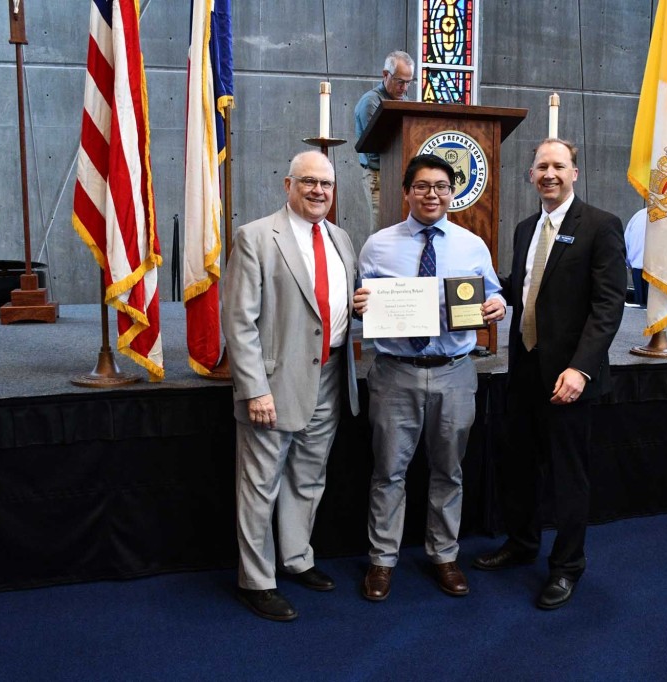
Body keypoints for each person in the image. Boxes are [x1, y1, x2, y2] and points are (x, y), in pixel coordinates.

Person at [473, 138, 626, 610]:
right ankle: (522, 544)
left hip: (569, 379)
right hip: (523, 372)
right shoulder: (524, 229)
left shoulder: (601, 226)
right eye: (542, 167)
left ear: (575, 173)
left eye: (559, 166)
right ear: (532, 174)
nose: (550, 174)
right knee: (518, 468)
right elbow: (526, 287)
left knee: (567, 477)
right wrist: (501, 297)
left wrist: (580, 368)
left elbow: (607, 306)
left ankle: (566, 567)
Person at [352, 154, 505, 602]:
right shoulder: (378, 245)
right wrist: (360, 304)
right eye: (422, 186)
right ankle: (382, 560)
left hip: (455, 373)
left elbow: (491, 293)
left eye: (441, 186)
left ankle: (444, 555)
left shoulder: (471, 245)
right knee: (388, 472)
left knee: (449, 471)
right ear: (406, 192)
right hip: (394, 373)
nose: (432, 194)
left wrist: (495, 306)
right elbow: (361, 303)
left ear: (452, 192)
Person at [221, 150, 360, 622]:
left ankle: (297, 558)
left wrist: (361, 305)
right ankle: (256, 581)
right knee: (260, 484)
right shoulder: (256, 237)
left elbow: (332, 308)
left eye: (326, 183)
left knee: (308, 476)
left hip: (331, 377)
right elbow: (239, 322)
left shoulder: (341, 238)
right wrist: (254, 389)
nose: (319, 190)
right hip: (274, 385)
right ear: (288, 185)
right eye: (309, 182)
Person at [353, 51, 415, 233]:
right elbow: (378, 145)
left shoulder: (406, 101)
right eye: (400, 81)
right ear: (385, 75)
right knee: (381, 231)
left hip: (402, 175)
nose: (404, 88)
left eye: (408, 82)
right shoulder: (371, 102)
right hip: (379, 176)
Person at [624, 207, 648, 306]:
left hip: (637, 268)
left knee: (640, 308)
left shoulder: (638, 215)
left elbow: (626, 242)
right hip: (659, 272)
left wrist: (629, 264)